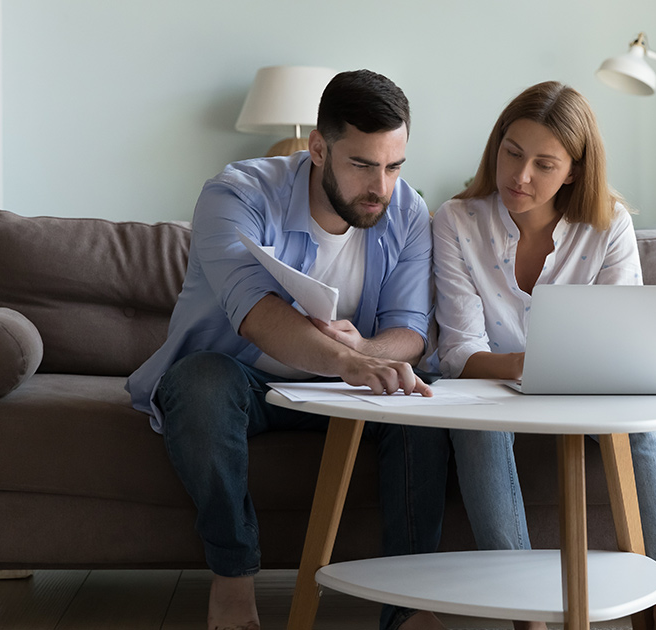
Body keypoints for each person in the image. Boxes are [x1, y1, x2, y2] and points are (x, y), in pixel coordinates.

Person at [127, 69, 449, 630]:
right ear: (318, 148)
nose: (382, 187)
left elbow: (411, 331)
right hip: (247, 382)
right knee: (200, 383)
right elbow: (254, 315)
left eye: (394, 166)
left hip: (351, 389)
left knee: (422, 404)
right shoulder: (236, 195)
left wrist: (370, 351)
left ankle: (409, 606)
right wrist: (353, 363)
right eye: (363, 165)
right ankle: (232, 582)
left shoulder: (407, 213)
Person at [432, 81, 656, 630]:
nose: (520, 176)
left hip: (584, 389)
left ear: (573, 170)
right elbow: (457, 350)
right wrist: (522, 366)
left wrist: (562, 369)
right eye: (512, 153)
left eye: (544, 164)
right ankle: (527, 614)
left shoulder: (608, 225)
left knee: (644, 427)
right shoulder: (457, 220)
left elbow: (623, 338)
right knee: (472, 424)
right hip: (490, 388)